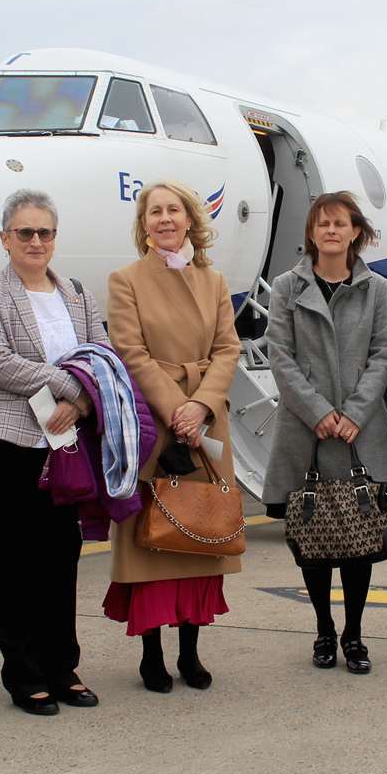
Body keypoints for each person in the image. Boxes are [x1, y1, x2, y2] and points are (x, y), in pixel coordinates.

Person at [0, 189, 103, 716]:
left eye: (45, 232)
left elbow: (99, 356)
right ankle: (24, 674)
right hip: (12, 440)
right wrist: (69, 385)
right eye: (25, 232)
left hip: (65, 440)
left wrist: (84, 401)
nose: (36, 241)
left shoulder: (78, 294)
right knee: (20, 560)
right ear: (5, 239)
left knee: (62, 556)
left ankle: (62, 665)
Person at [103, 180, 242, 693]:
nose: (164, 218)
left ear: (190, 220)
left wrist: (202, 403)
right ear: (143, 224)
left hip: (204, 419)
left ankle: (190, 652)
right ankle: (151, 654)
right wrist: (175, 406)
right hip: (153, 420)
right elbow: (130, 350)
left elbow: (229, 347)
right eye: (154, 211)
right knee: (153, 538)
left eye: (173, 210)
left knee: (199, 531)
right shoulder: (125, 279)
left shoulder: (215, 280)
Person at [261, 192, 387, 674]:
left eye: (340, 223)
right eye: (323, 224)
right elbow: (281, 355)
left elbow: (384, 353)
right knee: (313, 537)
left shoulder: (376, 288)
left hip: (360, 431)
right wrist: (319, 412)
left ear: (355, 231)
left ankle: (354, 634)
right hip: (307, 431)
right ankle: (323, 629)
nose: (332, 231)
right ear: (312, 233)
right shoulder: (286, 287)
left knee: (361, 540)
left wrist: (355, 413)